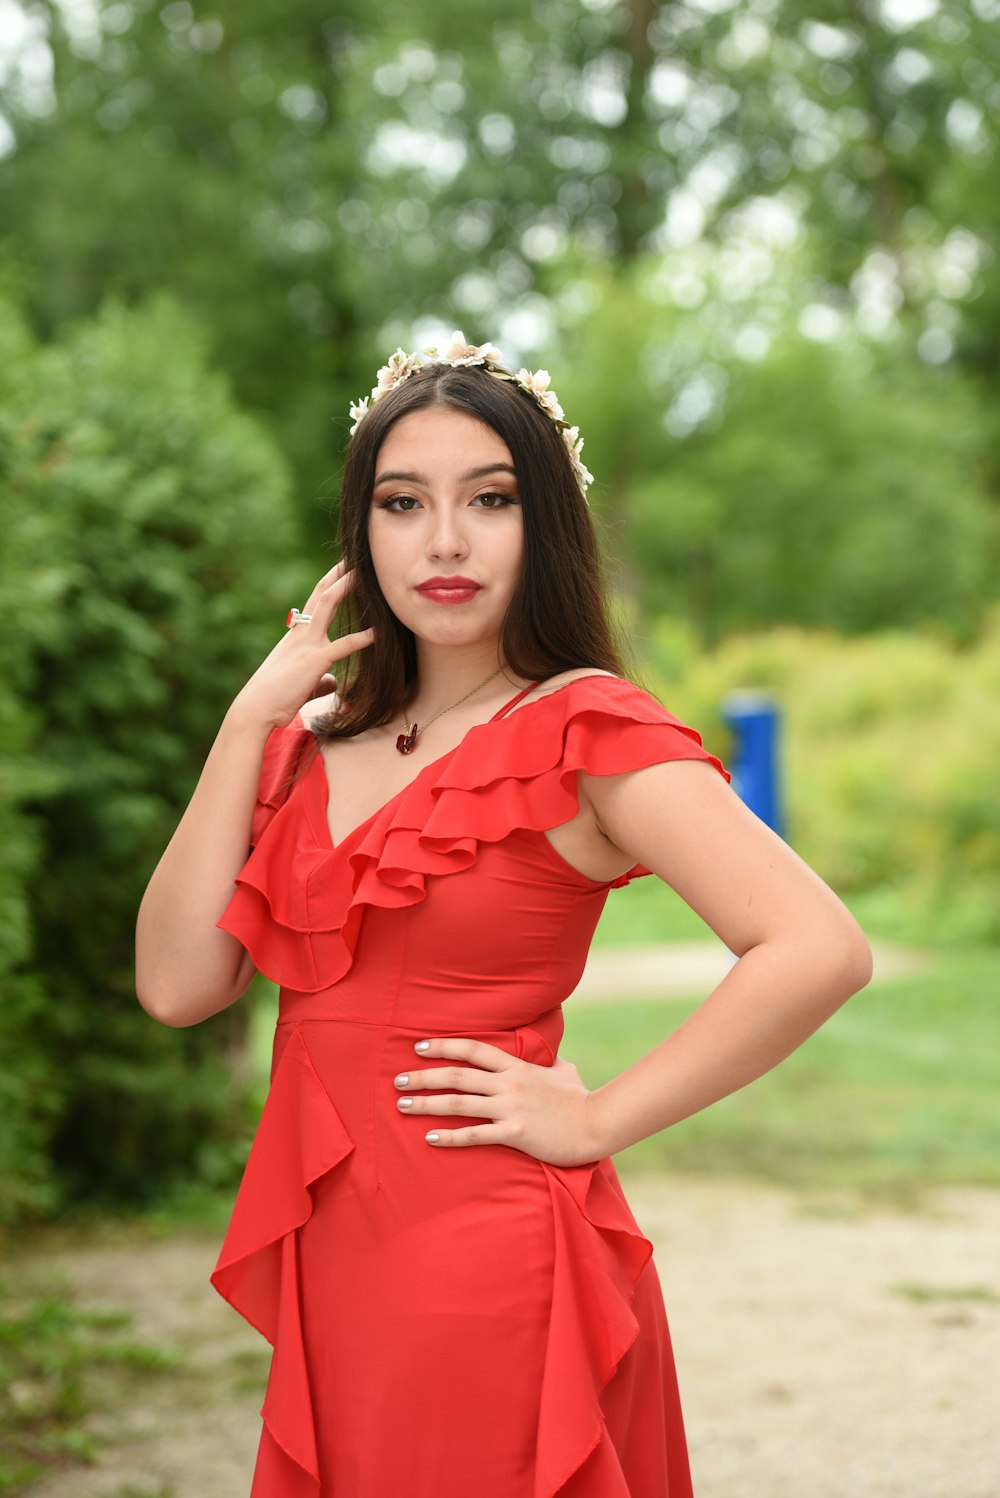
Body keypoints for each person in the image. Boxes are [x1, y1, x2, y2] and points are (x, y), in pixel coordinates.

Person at [135, 331, 872, 1497]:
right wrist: (245, 726)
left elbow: (818, 946)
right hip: (340, 1261)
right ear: (360, 530)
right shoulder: (304, 745)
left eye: (489, 498)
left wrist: (596, 1121)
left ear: (546, 528)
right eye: (401, 500)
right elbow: (179, 986)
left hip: (488, 1250)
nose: (442, 540)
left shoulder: (585, 729)